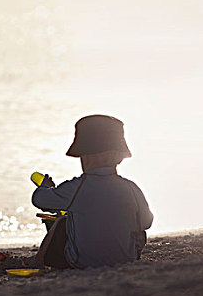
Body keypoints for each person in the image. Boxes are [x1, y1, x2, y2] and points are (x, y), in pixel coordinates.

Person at [29, 115, 153, 269]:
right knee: (138, 229)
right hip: (126, 260)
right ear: (119, 158)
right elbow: (146, 222)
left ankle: (37, 261)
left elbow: (39, 200)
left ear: (85, 158)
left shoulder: (77, 188)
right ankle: (123, 253)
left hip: (81, 262)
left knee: (63, 222)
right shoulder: (131, 188)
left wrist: (45, 187)